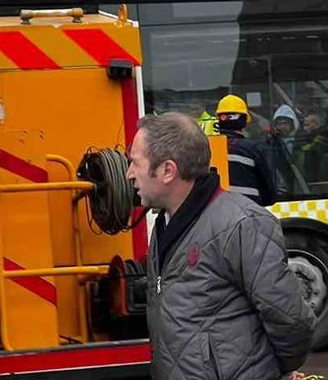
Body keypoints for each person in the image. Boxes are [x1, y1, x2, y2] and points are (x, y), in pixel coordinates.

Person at [127, 113, 314, 380]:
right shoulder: (166, 224)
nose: (129, 174)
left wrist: (275, 370)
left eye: (135, 163)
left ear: (167, 170)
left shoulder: (244, 224)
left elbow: (291, 319)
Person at [213, 94, 277, 206]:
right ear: (244, 122)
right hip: (248, 214)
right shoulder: (252, 149)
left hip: (217, 216)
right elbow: (269, 195)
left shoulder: (206, 149)